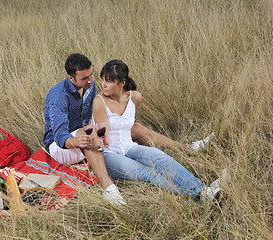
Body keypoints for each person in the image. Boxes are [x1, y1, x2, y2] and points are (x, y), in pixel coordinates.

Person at [92, 59, 224, 202]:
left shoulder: (135, 97)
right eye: (103, 79)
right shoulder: (100, 101)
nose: (103, 84)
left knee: (160, 157)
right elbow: (102, 135)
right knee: (146, 172)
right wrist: (101, 138)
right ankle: (199, 195)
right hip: (109, 153)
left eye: (109, 81)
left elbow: (127, 123)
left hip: (129, 146)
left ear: (122, 83)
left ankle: (203, 189)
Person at [42, 53, 126, 205]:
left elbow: (89, 117)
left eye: (91, 75)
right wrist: (77, 140)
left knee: (129, 127)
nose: (90, 81)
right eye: (84, 78)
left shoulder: (89, 86)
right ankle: (110, 191)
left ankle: (179, 147)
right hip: (59, 146)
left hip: (84, 134)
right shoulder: (58, 97)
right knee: (89, 134)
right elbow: (60, 137)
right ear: (71, 78)